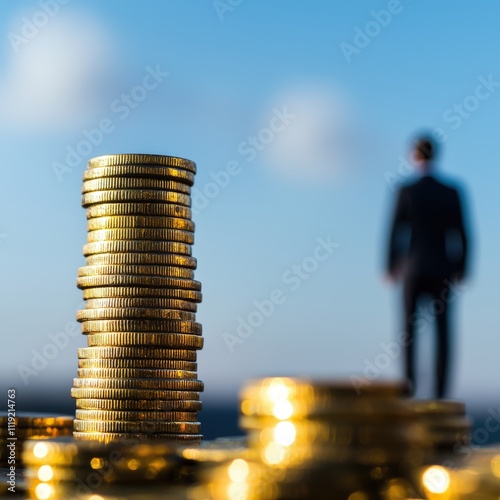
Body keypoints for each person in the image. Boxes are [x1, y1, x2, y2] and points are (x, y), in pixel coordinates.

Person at [386, 134, 469, 398]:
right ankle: (441, 394)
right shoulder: (451, 191)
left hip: (412, 269)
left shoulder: (407, 190)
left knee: (408, 332)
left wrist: (391, 266)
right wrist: (461, 267)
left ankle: (409, 391)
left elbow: (395, 231)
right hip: (443, 269)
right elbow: (462, 232)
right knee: (443, 332)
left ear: (414, 155)